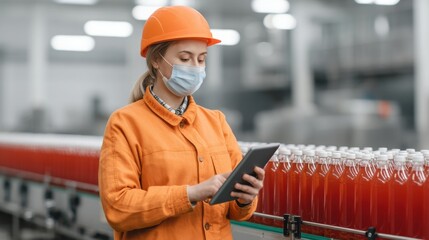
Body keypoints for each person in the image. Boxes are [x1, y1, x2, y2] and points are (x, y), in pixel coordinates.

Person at [98, 5, 265, 240]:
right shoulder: (125, 123)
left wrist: (245, 197)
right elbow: (118, 207)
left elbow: (235, 212)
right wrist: (191, 194)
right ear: (156, 60)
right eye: (185, 58)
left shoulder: (216, 122)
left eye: (201, 59)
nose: (195, 67)